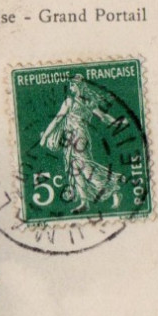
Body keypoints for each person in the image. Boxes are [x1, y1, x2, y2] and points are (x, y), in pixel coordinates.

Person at [39, 74, 127, 213]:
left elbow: (57, 120)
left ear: (78, 86)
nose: (71, 87)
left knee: (86, 168)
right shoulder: (87, 101)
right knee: (75, 170)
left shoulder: (72, 101)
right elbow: (104, 117)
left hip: (79, 138)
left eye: (73, 85)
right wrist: (117, 122)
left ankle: (114, 189)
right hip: (70, 138)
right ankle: (84, 202)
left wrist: (45, 137)